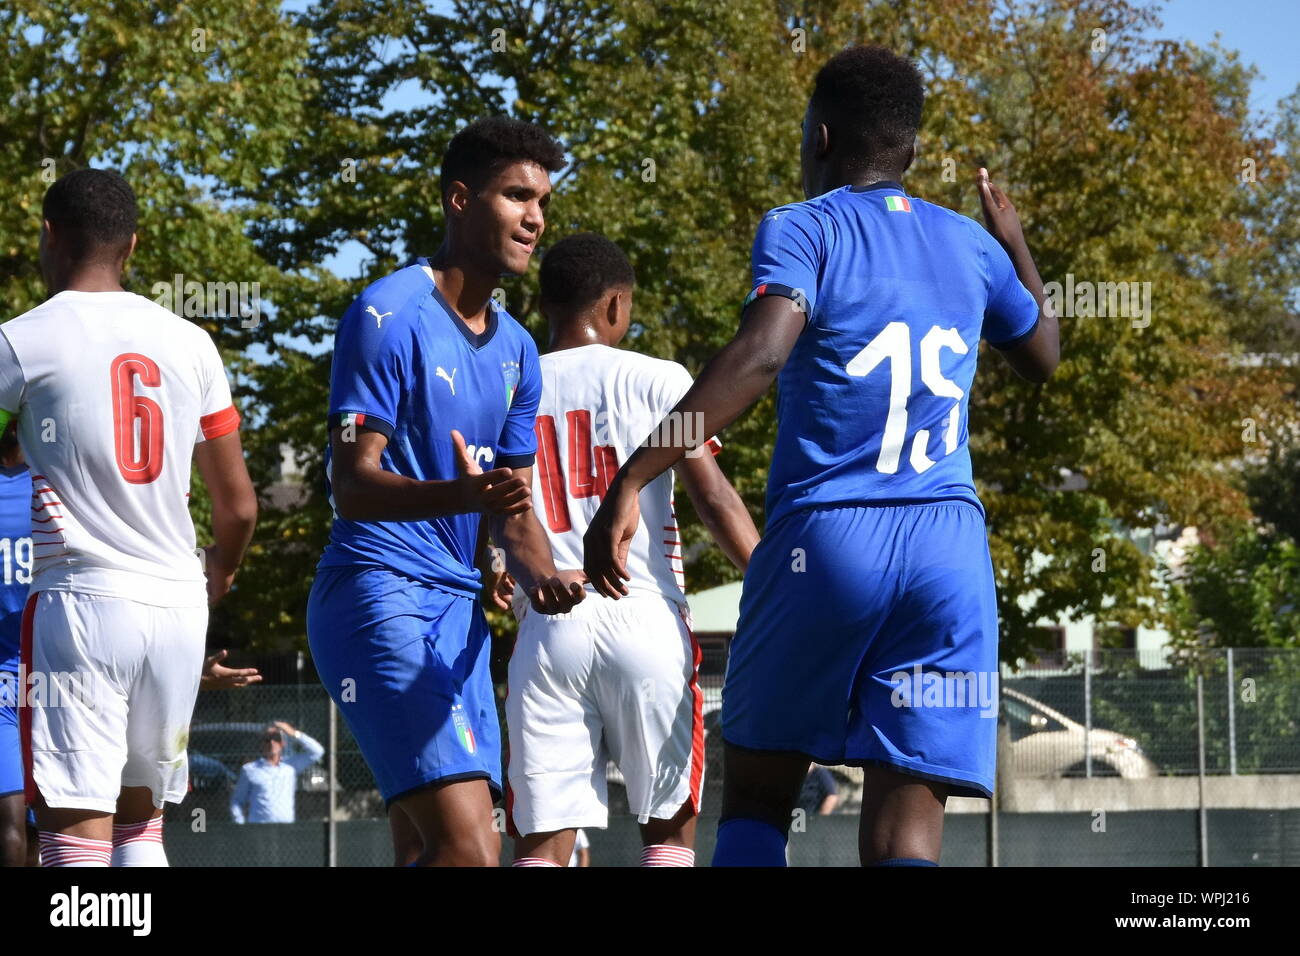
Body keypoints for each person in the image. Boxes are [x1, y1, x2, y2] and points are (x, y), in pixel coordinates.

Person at [585, 46, 1058, 867]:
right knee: (907, 831)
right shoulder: (971, 247)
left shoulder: (806, 225)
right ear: (909, 150)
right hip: (950, 552)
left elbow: (763, 356)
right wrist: (1013, 241)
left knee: (763, 793)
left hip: (829, 539)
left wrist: (635, 473)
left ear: (822, 137)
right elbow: (1044, 355)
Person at [307, 117, 585, 868]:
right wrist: (462, 496)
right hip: (376, 595)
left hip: (459, 617)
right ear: (460, 200)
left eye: (544, 202)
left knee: (427, 852)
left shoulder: (521, 351)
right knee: (472, 849)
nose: (535, 218)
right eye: (516, 196)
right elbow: (351, 485)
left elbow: (512, 510)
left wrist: (543, 577)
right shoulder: (386, 315)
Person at [0, 168, 258, 867]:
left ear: (49, 233)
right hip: (176, 607)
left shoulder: (19, 342)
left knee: (73, 831)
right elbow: (238, 506)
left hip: (82, 603)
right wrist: (218, 578)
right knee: (140, 830)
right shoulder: (190, 342)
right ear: (133, 245)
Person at [503, 234, 759, 869]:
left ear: (543, 305)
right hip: (643, 617)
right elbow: (715, 499)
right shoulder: (659, 378)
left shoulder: (510, 384)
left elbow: (496, 509)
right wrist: (776, 581)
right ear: (616, 304)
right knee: (668, 834)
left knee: (543, 842)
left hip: (547, 620)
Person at [230, 721, 325, 824]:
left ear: (283, 743)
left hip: (286, 830)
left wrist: (293, 733)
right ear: (261, 744)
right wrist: (241, 826)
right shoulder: (249, 770)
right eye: (267, 739)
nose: (272, 743)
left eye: (276, 738)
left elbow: (317, 752)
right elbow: (237, 801)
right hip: (258, 830)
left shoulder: (290, 766)